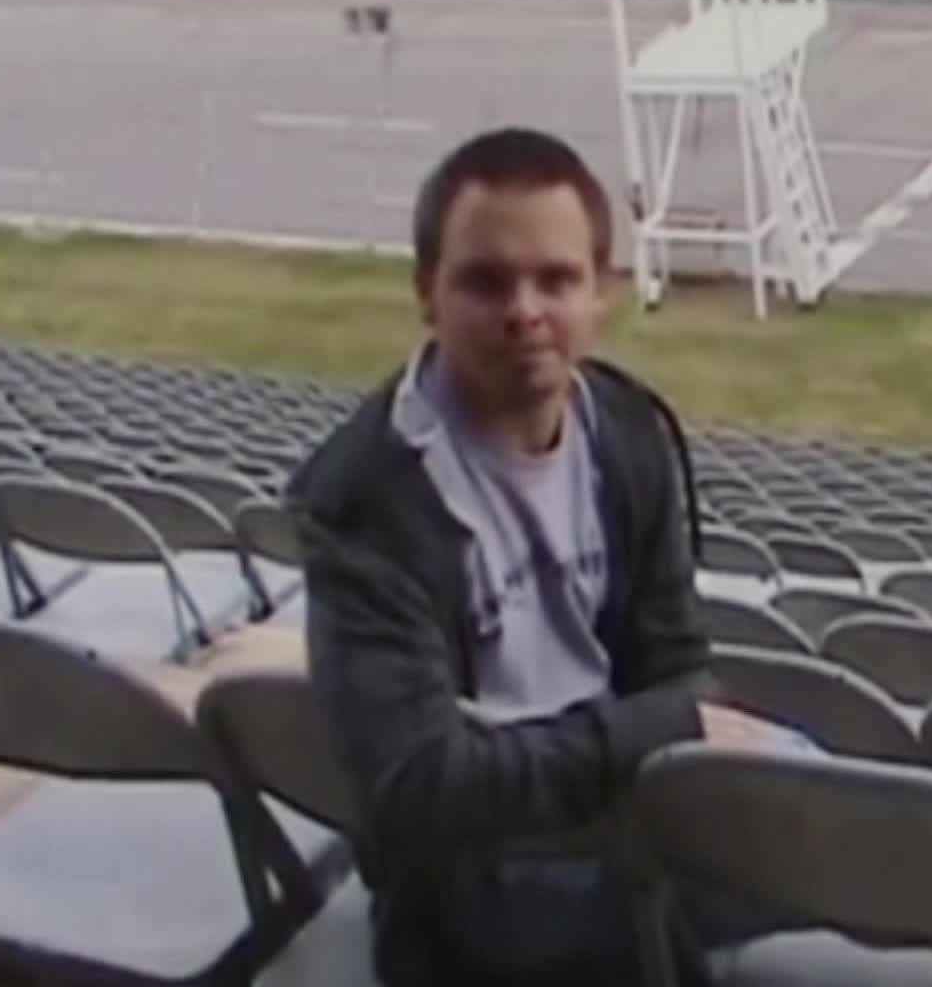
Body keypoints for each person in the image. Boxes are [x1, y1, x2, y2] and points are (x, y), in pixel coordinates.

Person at [285, 126, 794, 986]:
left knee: (879, 841)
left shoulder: (632, 433)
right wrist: (658, 732)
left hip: (631, 817)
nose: (525, 311)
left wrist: (666, 741)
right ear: (426, 293)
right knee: (863, 876)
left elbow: (673, 660)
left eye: (556, 279)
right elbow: (421, 788)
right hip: (473, 892)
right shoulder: (362, 504)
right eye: (486, 281)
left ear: (601, 292)